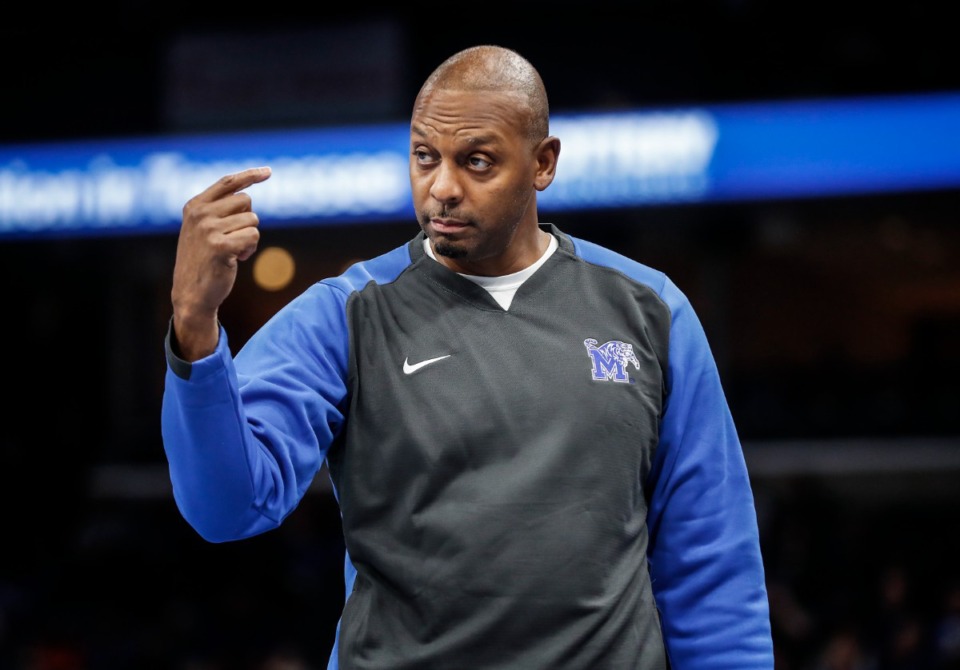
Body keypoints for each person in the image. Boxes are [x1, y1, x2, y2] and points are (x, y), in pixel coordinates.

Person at [161, 44, 774, 669]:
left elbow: (711, 562)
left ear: (543, 163)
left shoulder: (651, 310)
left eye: (476, 161)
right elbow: (226, 507)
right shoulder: (343, 315)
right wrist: (195, 325)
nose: (443, 188)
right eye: (425, 158)